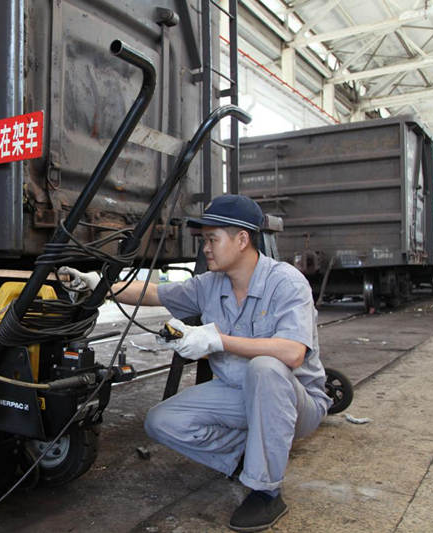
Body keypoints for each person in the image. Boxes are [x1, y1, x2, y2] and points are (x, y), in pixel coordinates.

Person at [59, 194, 331, 532]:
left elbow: (293, 353)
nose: (205, 248)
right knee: (162, 420)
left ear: (242, 239)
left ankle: (265, 490)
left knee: (266, 367)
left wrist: (217, 340)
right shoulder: (209, 284)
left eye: (212, 239)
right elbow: (155, 293)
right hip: (237, 393)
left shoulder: (285, 282)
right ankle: (246, 457)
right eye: (204, 240)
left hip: (293, 401)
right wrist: (98, 286)